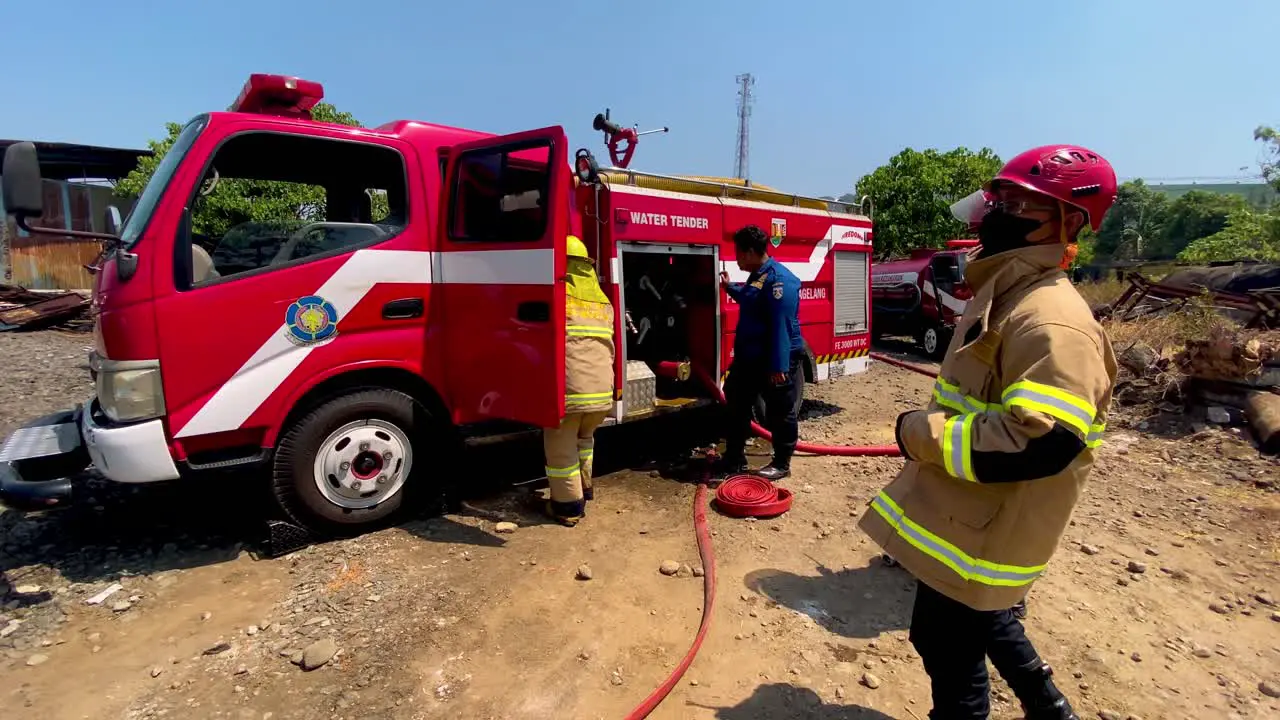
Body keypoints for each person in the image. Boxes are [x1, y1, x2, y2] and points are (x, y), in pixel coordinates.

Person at [857, 145, 1120, 720]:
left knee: (949, 646)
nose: (993, 213)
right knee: (974, 625)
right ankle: (1049, 709)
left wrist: (920, 434)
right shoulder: (1009, 296)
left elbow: (1041, 441)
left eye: (1017, 203)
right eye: (999, 199)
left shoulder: (1050, 320)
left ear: (1067, 221)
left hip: (990, 527)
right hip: (970, 516)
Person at [718, 224, 804, 481]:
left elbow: (781, 325)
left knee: (779, 410)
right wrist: (729, 287)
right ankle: (734, 458)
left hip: (776, 357)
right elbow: (751, 298)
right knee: (735, 398)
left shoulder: (780, 280)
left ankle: (781, 463)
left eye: (739, 253)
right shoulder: (758, 276)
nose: (736, 258)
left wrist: (778, 366)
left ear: (752, 252)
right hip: (751, 357)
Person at [543, 235, 616, 527]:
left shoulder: (560, 296)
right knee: (584, 441)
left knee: (561, 452)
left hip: (570, 395)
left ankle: (568, 507)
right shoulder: (603, 300)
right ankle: (586, 488)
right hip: (601, 395)